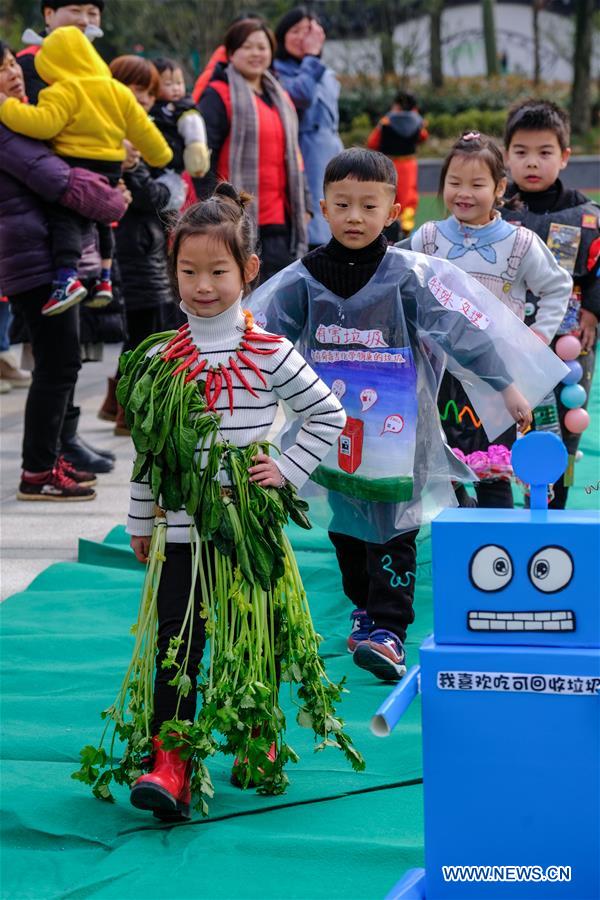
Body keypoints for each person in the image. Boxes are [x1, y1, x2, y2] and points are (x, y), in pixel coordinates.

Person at [76, 183, 357, 820]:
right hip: (179, 532)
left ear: (249, 271)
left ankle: (254, 735)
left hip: (246, 531)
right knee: (177, 645)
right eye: (189, 272)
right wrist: (140, 516)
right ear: (172, 270)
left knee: (251, 637)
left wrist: (283, 467)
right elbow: (151, 449)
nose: (203, 286)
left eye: (219, 272)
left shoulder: (269, 351)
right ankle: (170, 759)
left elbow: (326, 414)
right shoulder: (160, 359)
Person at [248, 148, 567, 683]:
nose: (355, 217)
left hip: (403, 433)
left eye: (368, 206)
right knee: (348, 532)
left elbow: (464, 335)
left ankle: (390, 631)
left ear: (393, 212)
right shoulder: (303, 280)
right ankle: (364, 608)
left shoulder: (411, 276)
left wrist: (508, 389)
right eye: (343, 204)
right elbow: (262, 339)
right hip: (334, 435)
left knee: (394, 531)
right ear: (323, 207)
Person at [402, 132, 571, 509]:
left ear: (499, 188)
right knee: (445, 467)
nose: (464, 192)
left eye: (477, 184)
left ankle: (494, 547)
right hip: (439, 375)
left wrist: (536, 340)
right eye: (454, 182)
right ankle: (463, 536)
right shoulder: (429, 239)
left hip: (497, 382)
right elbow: (397, 277)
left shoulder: (519, 243)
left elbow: (557, 287)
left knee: (493, 470)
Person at [0, 40, 128, 499]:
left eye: (12, 62)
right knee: (58, 365)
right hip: (33, 260)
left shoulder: (22, 119)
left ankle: (48, 461)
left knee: (60, 364)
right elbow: (60, 181)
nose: (13, 73)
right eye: (2, 69)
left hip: (37, 256)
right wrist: (112, 196)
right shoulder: (6, 128)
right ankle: (37, 472)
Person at [0, 26, 172, 316]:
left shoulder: (63, 90)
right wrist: (161, 156)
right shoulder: (117, 90)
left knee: (64, 218)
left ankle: (67, 276)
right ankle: (104, 280)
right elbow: (145, 131)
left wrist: (7, 108)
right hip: (110, 168)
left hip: (76, 165)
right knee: (99, 221)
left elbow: (43, 123)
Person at [502, 99, 600, 509]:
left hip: (571, 340)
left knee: (565, 421)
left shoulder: (586, 215)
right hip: (508, 338)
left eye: (544, 153)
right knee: (508, 426)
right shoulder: (496, 212)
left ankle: (554, 504)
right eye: (521, 152)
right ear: (505, 156)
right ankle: (498, 504)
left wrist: (593, 309)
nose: (532, 163)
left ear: (564, 157)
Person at [97, 55, 187, 435]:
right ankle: (126, 414)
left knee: (146, 327)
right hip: (130, 245)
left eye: (151, 90)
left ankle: (113, 404)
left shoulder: (146, 130)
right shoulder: (116, 136)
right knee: (144, 332)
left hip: (144, 245)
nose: (146, 97)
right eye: (138, 89)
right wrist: (156, 185)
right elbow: (150, 197)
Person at [197, 17, 308, 281]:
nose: (256, 53)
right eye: (247, 47)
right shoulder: (218, 94)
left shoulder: (280, 96)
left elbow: (295, 155)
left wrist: (306, 201)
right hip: (233, 219)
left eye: (262, 47)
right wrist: (211, 208)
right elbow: (202, 159)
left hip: (280, 220)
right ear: (231, 52)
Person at [273, 6, 343, 249]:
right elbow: (300, 96)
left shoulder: (326, 73)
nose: (304, 38)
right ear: (282, 36)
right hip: (303, 151)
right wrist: (311, 57)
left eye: (309, 31)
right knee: (311, 216)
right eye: (296, 31)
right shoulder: (275, 71)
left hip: (332, 151)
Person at [366, 90, 428, 239]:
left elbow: (372, 142)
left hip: (388, 164)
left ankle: (387, 228)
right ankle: (406, 230)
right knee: (409, 199)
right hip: (409, 164)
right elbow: (423, 137)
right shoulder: (417, 122)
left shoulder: (386, 122)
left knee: (388, 195)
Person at [17, 0, 104, 105]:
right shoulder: (29, 61)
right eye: (75, 11)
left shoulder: (97, 62)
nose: (84, 21)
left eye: (92, 13)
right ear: (49, 14)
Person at [151, 56, 210, 178]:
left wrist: (197, 163)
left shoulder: (184, 108)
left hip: (173, 166)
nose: (176, 88)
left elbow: (195, 137)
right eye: (168, 84)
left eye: (179, 83)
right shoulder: (150, 106)